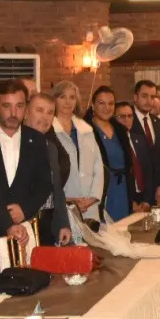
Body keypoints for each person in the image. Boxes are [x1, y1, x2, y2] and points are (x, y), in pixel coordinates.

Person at [0, 80, 53, 244]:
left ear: (26, 108)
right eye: (7, 106)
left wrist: (25, 210)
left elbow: (44, 184)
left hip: (26, 227)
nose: (13, 113)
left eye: (19, 106)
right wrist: (5, 221)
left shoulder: (37, 140)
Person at [50, 81, 105, 224]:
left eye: (72, 97)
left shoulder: (86, 129)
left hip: (89, 204)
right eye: (62, 97)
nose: (67, 102)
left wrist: (92, 198)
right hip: (63, 203)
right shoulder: (48, 130)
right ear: (54, 99)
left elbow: (98, 166)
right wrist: (68, 200)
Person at [26, 92, 72, 245]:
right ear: (26, 112)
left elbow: (57, 190)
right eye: (39, 110)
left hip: (47, 225)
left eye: (50, 112)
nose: (45, 117)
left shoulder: (51, 148)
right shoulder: (14, 146)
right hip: (25, 226)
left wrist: (63, 223)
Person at [86, 87, 132, 222]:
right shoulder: (86, 131)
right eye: (101, 103)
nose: (107, 108)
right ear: (93, 105)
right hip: (101, 190)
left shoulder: (120, 130)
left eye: (111, 103)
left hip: (122, 189)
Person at [130, 80, 160, 208]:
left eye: (152, 97)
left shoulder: (157, 122)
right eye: (144, 96)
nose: (148, 101)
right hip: (136, 191)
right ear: (135, 97)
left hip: (155, 191)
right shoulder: (127, 120)